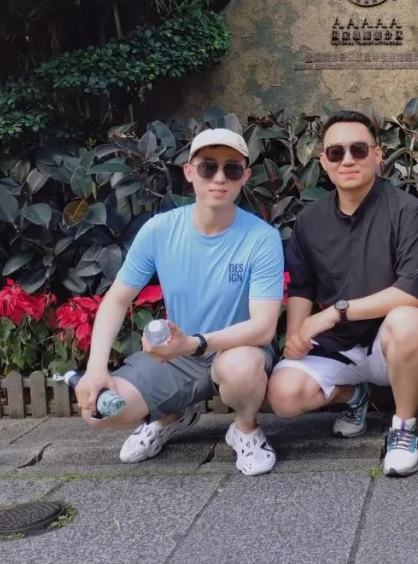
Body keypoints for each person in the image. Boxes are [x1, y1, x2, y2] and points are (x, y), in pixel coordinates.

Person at [76, 128, 284, 476]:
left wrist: (196, 343)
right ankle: (172, 415)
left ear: (245, 176)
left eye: (232, 169)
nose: (219, 177)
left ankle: (245, 429)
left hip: (237, 348)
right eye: (208, 167)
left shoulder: (262, 238)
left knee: (242, 367)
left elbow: (263, 328)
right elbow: (116, 300)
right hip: (177, 353)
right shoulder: (159, 230)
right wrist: (96, 368)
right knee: (98, 412)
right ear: (189, 172)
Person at [266, 111, 418, 477]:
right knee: (283, 396)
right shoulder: (310, 220)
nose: (347, 160)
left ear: (377, 155)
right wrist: (296, 336)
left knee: (409, 320)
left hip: (388, 344)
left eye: (358, 149)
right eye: (336, 152)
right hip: (336, 346)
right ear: (323, 162)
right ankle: (353, 396)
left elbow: (410, 291)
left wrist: (333, 313)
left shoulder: (406, 210)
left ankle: (403, 430)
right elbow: (302, 287)